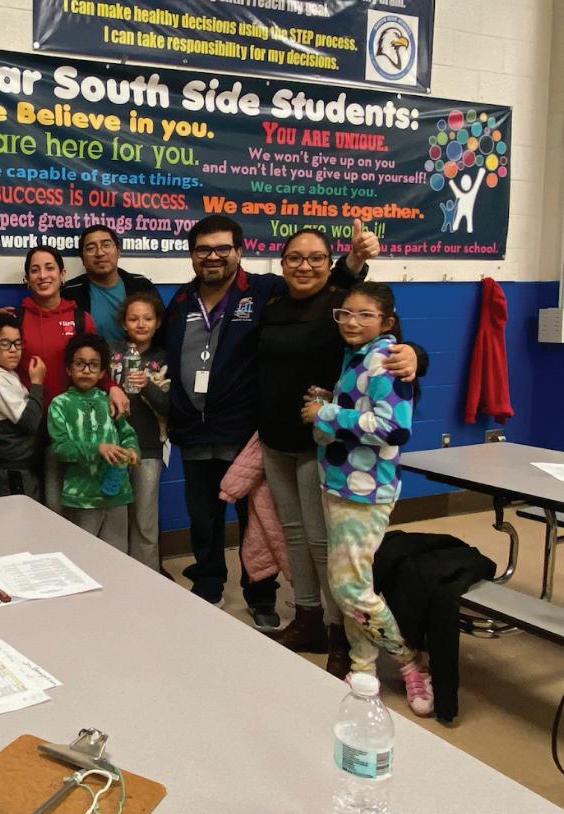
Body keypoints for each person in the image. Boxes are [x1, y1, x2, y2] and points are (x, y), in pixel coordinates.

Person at [164, 214, 381, 628]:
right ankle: (208, 583)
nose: (213, 256)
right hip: (193, 430)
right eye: (203, 249)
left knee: (260, 521)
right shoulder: (180, 301)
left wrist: (354, 263)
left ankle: (261, 595)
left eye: (222, 248)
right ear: (192, 255)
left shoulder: (266, 290)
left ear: (239, 251)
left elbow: (320, 288)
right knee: (203, 518)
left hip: (247, 431)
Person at [259, 228, 425, 676]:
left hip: (333, 455)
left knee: (327, 550)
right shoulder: (272, 303)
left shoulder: (348, 313)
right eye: (294, 257)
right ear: (280, 262)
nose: (304, 266)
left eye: (316, 257)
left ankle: (341, 636)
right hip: (282, 441)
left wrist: (414, 354)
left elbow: (395, 386)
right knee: (296, 536)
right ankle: (310, 620)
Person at [301, 282, 433, 716]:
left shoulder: (385, 359)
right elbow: (363, 413)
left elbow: (394, 428)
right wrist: (331, 404)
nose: (352, 322)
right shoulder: (356, 355)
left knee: (350, 588)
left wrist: (326, 413)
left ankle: (410, 660)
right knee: (353, 584)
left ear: (387, 322)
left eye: (364, 315)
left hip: (365, 491)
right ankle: (363, 667)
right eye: (345, 313)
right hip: (340, 483)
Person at [0, 245, 128, 513]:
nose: (42, 275)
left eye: (49, 268)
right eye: (34, 270)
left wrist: (113, 387)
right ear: (27, 279)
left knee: (73, 504)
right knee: (40, 506)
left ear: (62, 274)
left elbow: (95, 362)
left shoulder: (81, 319)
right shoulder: (15, 318)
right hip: (28, 432)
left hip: (71, 427)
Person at [47, 333, 140, 551]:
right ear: (69, 369)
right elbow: (61, 447)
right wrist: (98, 448)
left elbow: (127, 433)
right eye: (80, 364)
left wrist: (132, 450)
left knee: (116, 554)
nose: (86, 370)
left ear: (102, 373)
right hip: (82, 496)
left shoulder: (110, 400)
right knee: (82, 554)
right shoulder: (60, 404)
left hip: (117, 493)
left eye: (93, 365)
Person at [109, 291, 169, 571]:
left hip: (148, 447)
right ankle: (117, 575)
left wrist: (147, 386)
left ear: (157, 323)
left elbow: (169, 406)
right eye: (134, 319)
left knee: (145, 520)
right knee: (115, 520)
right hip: (113, 446)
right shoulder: (111, 352)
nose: (141, 324)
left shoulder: (164, 358)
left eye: (148, 318)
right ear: (124, 323)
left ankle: (148, 577)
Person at [0, 313, 45, 500]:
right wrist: (37, 383)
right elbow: (30, 422)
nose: (14, 350)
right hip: (11, 469)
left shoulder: (9, 374)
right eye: (5, 344)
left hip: (20, 466)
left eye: (17, 343)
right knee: (18, 515)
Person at [62, 225, 161, 344]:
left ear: (118, 251)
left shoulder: (141, 286)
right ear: (82, 258)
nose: (100, 253)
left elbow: (161, 331)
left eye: (106, 245)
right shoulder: (69, 293)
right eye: (91, 248)